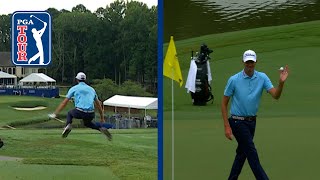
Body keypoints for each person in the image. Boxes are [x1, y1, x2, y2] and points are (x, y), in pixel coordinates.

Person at [221, 50, 289, 180]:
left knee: (242, 155)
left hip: (252, 122)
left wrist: (281, 83)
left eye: (252, 61)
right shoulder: (234, 80)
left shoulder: (262, 77)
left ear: (256, 62)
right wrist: (226, 126)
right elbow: (224, 103)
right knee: (252, 154)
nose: (249, 64)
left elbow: (276, 95)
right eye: (247, 62)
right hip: (237, 121)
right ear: (243, 62)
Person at [48, 72, 112, 141]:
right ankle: (101, 128)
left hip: (80, 111)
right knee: (88, 123)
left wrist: (55, 113)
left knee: (70, 113)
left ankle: (68, 126)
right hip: (91, 113)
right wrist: (102, 118)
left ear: (77, 80)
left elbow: (64, 102)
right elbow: (98, 105)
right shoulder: (91, 89)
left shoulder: (74, 88)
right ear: (85, 80)